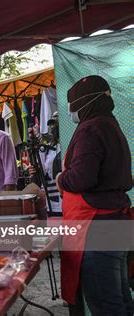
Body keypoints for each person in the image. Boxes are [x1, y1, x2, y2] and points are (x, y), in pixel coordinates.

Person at [55, 75, 133, 315]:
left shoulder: (90, 129)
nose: (70, 109)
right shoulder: (110, 124)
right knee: (119, 299)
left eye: (72, 103)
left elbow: (82, 178)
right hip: (116, 221)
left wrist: (61, 179)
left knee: (105, 304)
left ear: (84, 102)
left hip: (96, 227)